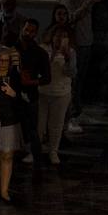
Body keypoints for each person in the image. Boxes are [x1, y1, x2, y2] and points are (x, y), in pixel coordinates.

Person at [59, 0, 102, 113]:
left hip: (87, 42)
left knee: (81, 78)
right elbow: (70, 18)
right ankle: (70, 109)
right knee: (73, 78)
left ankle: (77, 106)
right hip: (75, 44)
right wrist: (88, 3)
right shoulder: (66, 0)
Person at [14, 19, 50, 165]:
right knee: (15, 124)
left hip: (29, 94)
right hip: (11, 92)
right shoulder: (12, 48)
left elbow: (47, 78)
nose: (28, 33)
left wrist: (31, 82)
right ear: (22, 29)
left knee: (30, 126)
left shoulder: (39, 53)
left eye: (31, 31)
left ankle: (33, 153)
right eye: (26, 30)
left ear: (36, 33)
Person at [38, 27, 75, 165]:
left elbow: (72, 73)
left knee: (56, 125)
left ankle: (53, 151)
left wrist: (67, 59)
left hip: (61, 93)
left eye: (64, 36)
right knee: (39, 125)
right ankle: (34, 151)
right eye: (57, 36)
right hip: (42, 92)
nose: (60, 39)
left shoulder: (71, 52)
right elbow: (40, 69)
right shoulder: (43, 49)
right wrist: (52, 56)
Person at [0, 47, 23, 203]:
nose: (2, 64)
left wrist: (13, 94)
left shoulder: (14, 77)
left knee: (7, 154)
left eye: (5, 60)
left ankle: (4, 190)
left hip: (9, 120)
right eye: (0, 60)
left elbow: (24, 100)